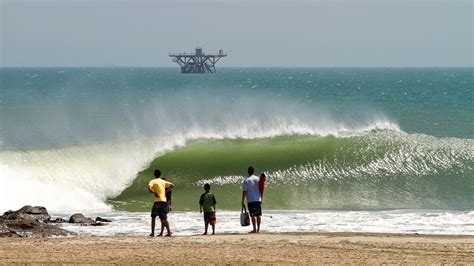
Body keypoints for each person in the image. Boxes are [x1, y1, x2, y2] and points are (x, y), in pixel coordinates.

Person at [148, 169, 174, 237]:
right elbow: (172, 185)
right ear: (160, 175)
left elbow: (149, 187)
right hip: (164, 202)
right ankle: (168, 232)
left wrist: (154, 192)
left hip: (157, 201)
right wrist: (166, 191)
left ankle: (153, 233)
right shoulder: (163, 181)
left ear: (154, 174)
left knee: (153, 217)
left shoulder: (152, 181)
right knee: (164, 218)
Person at [241, 166, 262, 233]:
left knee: (252, 215)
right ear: (254, 171)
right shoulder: (258, 179)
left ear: (248, 172)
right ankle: (258, 229)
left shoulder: (246, 180)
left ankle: (254, 229)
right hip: (258, 199)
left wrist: (243, 200)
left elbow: (244, 191)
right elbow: (262, 187)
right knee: (258, 215)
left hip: (250, 200)